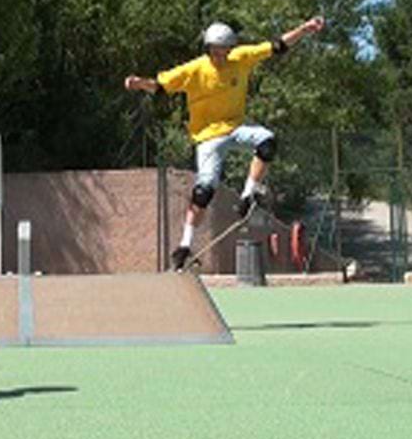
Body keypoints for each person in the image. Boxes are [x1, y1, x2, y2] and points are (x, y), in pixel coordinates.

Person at [124, 16, 325, 270]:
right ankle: (184, 246)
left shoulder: (240, 57)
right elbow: (160, 86)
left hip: (236, 127)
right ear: (208, 50)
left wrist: (304, 29)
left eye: (224, 52)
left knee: (267, 141)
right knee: (203, 191)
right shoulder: (194, 69)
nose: (221, 57)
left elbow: (277, 46)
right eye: (216, 53)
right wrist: (139, 83)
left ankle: (247, 195)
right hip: (207, 137)